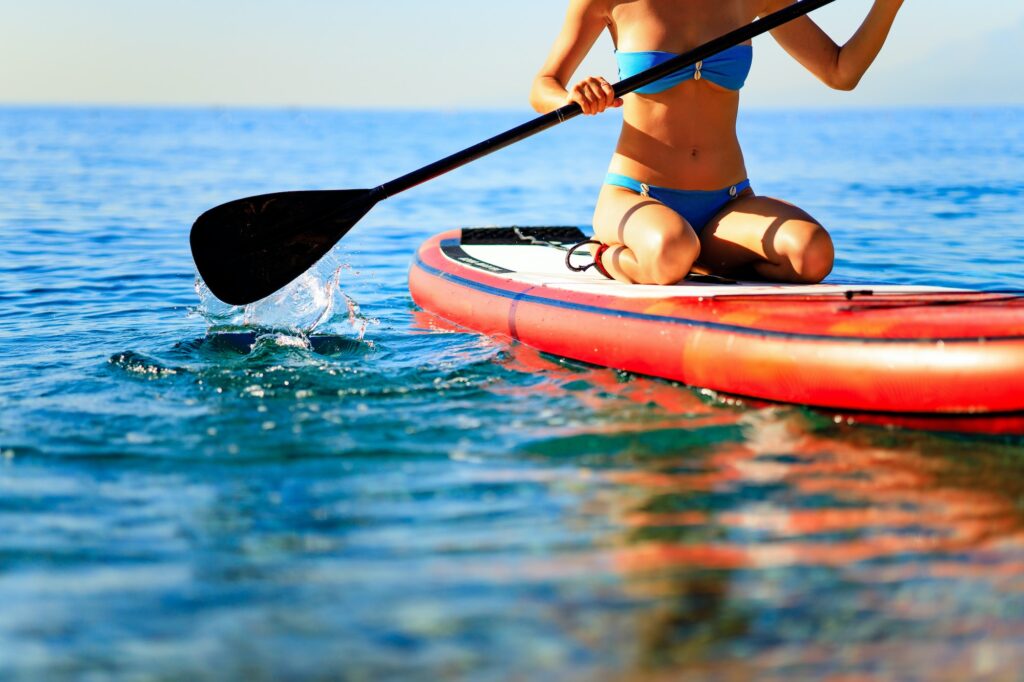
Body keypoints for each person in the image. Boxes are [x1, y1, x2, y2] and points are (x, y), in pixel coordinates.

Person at [530, 0, 905, 284]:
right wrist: (572, 98)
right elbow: (543, 85)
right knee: (671, 249)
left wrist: (888, 5)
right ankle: (604, 255)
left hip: (727, 204)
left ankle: (696, 255)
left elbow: (840, 71)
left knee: (812, 253)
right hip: (636, 196)